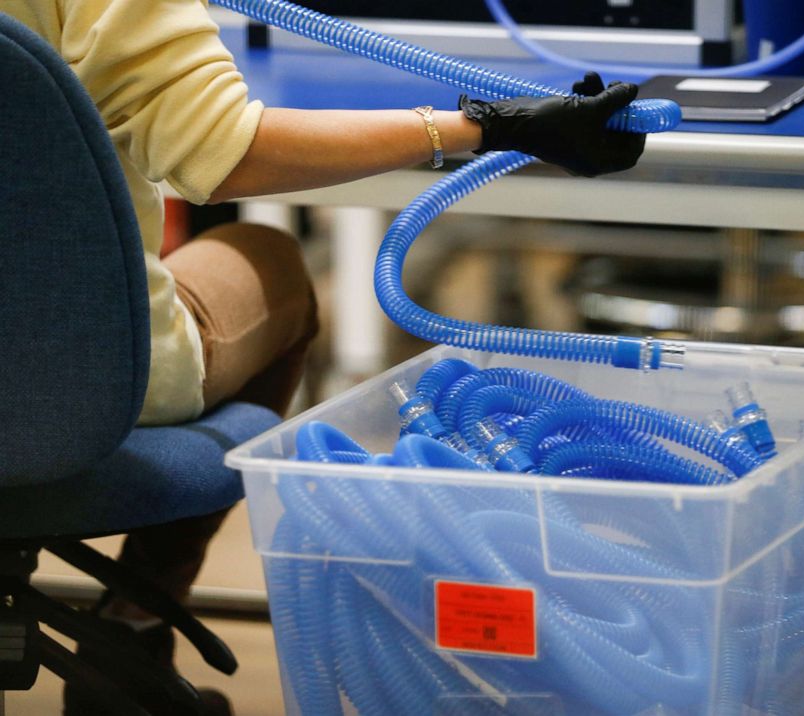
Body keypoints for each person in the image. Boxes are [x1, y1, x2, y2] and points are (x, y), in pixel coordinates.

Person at [3, 0, 645, 713]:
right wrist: (482, 128)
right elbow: (222, 152)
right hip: (74, 382)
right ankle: (135, 628)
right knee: (271, 260)